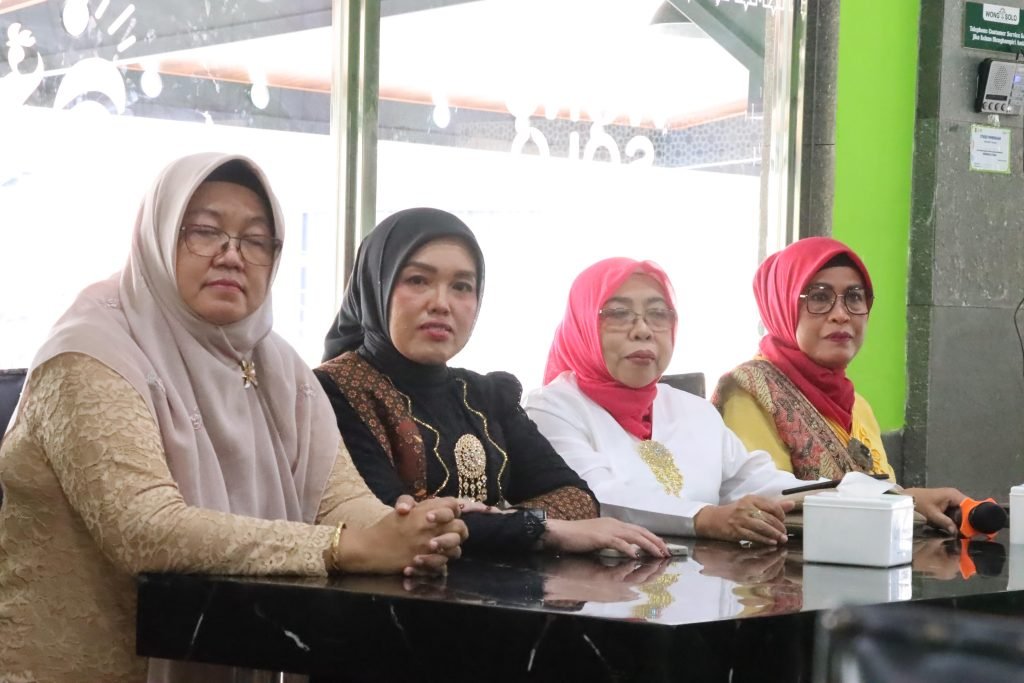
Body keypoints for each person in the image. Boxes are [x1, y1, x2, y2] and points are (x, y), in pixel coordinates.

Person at [0, 154, 466, 683]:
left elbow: (335, 498)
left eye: (256, 241)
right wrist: (347, 547)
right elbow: (145, 529)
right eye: (205, 232)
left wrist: (409, 532)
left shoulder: (277, 365)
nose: (231, 255)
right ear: (158, 237)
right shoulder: (89, 354)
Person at [316, 208, 667, 557]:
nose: (441, 303)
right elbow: (396, 523)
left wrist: (502, 524)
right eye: (418, 280)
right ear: (375, 286)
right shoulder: (333, 391)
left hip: (505, 590)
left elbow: (577, 498)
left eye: (461, 287)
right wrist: (538, 528)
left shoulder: (484, 395)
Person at [525, 257, 805, 546]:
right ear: (582, 323)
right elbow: (595, 496)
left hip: (702, 572)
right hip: (604, 574)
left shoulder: (695, 410)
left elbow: (758, 482)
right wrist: (705, 518)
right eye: (619, 313)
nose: (643, 330)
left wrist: (833, 494)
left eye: (658, 314)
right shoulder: (552, 408)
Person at [712, 236, 963, 533]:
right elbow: (769, 508)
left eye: (854, 297)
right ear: (783, 306)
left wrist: (909, 503)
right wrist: (904, 500)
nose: (841, 314)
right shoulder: (748, 391)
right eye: (819, 297)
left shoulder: (858, 406)